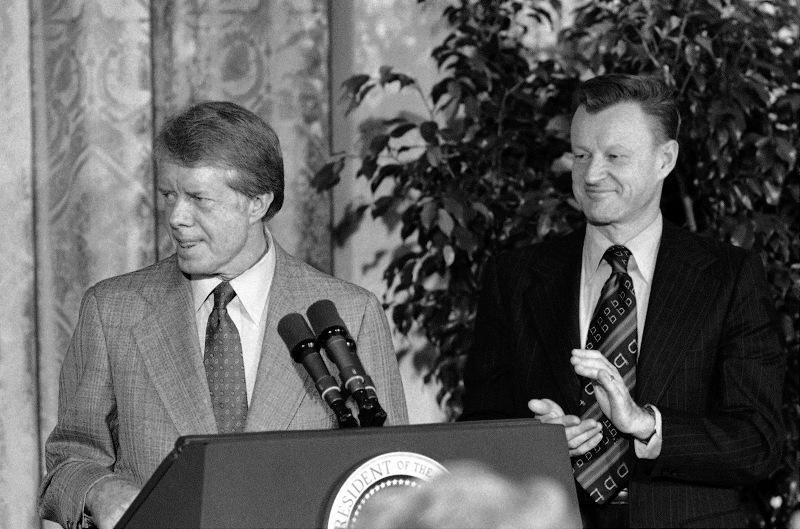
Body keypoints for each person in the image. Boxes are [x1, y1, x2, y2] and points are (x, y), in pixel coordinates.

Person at [38, 101, 408, 529]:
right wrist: (101, 491)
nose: (176, 217)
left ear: (257, 203)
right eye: (169, 196)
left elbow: (393, 478)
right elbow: (69, 462)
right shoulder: (113, 311)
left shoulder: (351, 313)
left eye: (198, 198)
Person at [460, 74, 785, 528]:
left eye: (614, 157)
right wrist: (534, 442)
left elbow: (759, 442)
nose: (592, 176)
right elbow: (477, 433)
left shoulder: (729, 278)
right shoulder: (513, 278)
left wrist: (647, 425)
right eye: (581, 155)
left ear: (664, 159)